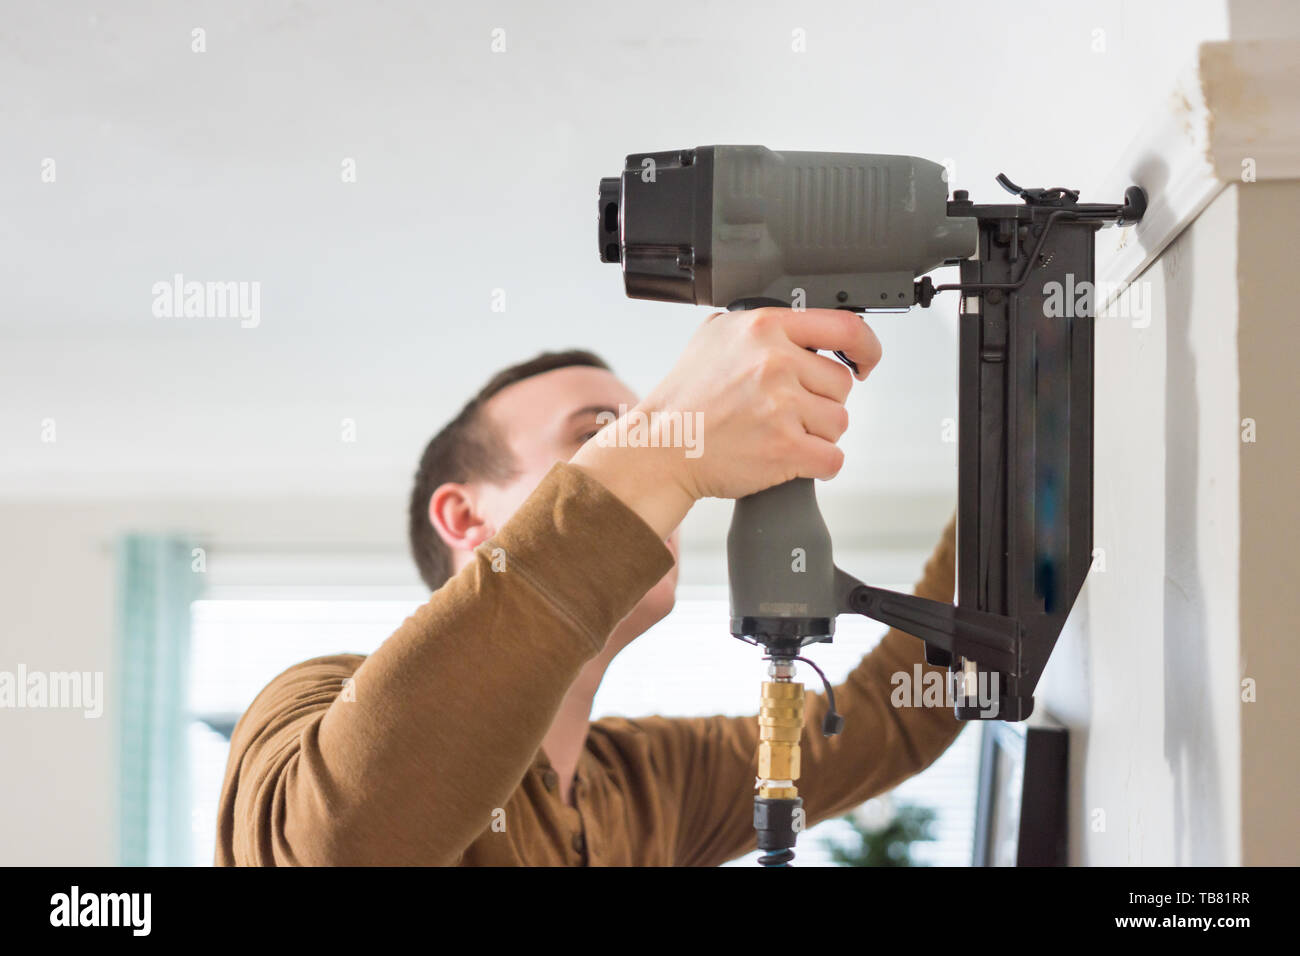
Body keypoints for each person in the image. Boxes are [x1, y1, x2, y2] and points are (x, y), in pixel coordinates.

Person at [215, 307, 962, 866]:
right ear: (464, 514)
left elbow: (892, 720)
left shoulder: (647, 783)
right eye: (598, 434)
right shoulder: (310, 707)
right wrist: (662, 451)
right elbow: (345, 849)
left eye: (639, 430)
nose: (646, 450)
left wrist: (1022, 430)